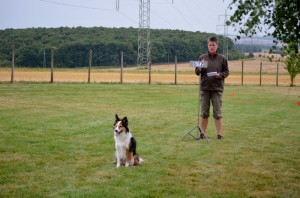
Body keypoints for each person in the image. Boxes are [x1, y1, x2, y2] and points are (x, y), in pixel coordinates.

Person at [195, 36, 229, 139]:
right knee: (204, 113)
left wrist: (220, 75)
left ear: (217, 46)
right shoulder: (202, 57)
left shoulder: (222, 59)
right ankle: (202, 134)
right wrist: (199, 68)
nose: (211, 47)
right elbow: (196, 72)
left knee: (217, 113)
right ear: (208, 46)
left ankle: (219, 134)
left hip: (217, 89)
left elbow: (226, 72)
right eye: (210, 45)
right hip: (204, 89)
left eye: (213, 45)